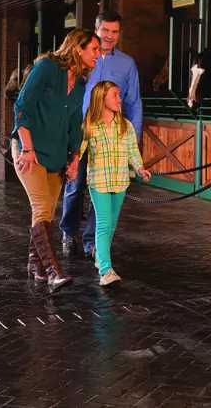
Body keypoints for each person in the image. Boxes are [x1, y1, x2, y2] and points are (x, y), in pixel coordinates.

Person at [12, 29, 100, 291]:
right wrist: (27, 149)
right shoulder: (47, 67)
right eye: (94, 49)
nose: (98, 54)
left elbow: (75, 124)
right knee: (41, 208)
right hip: (32, 152)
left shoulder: (82, 83)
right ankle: (53, 271)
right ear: (78, 49)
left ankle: (35, 265)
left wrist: (74, 158)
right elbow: (22, 108)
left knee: (47, 212)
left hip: (57, 155)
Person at [59, 10, 143, 258]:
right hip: (80, 133)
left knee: (103, 190)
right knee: (75, 187)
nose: (109, 36)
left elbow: (135, 102)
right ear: (96, 30)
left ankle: (92, 242)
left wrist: (133, 140)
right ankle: (68, 234)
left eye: (115, 31)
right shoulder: (82, 59)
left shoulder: (127, 64)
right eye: (105, 30)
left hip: (111, 137)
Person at [80, 80, 151, 286]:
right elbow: (79, 151)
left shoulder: (125, 126)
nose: (119, 99)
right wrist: (72, 166)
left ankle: (99, 258)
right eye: (115, 95)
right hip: (99, 182)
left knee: (111, 225)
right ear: (101, 98)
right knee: (103, 223)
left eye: (119, 95)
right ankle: (106, 270)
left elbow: (132, 152)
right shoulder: (89, 127)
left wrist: (140, 168)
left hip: (120, 182)